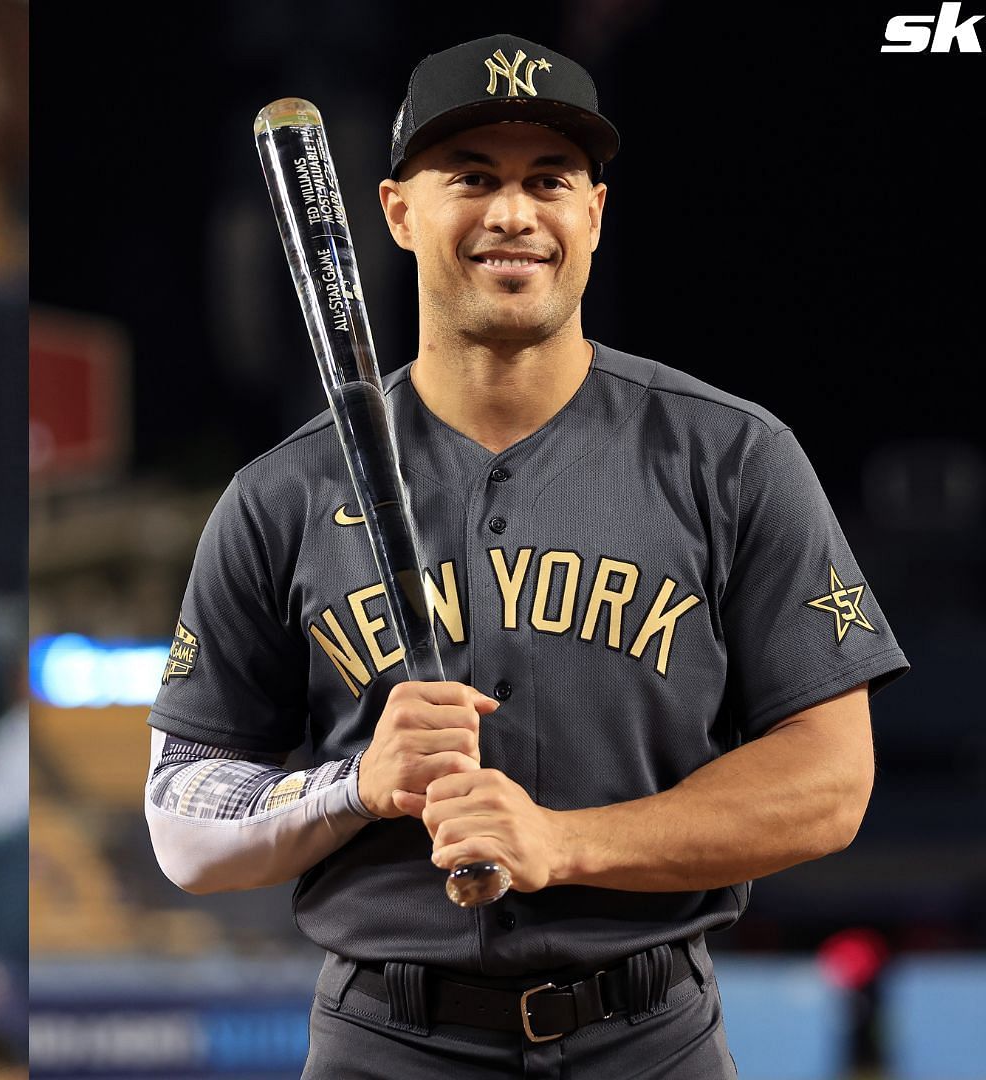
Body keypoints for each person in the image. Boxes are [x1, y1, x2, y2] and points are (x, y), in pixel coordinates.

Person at [143, 34, 908, 1079]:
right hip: (386, 1041)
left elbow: (831, 784)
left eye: (549, 180)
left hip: (650, 1035)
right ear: (398, 210)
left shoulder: (733, 457)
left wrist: (564, 841)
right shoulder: (281, 494)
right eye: (472, 178)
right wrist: (355, 786)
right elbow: (181, 818)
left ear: (593, 212)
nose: (514, 213)